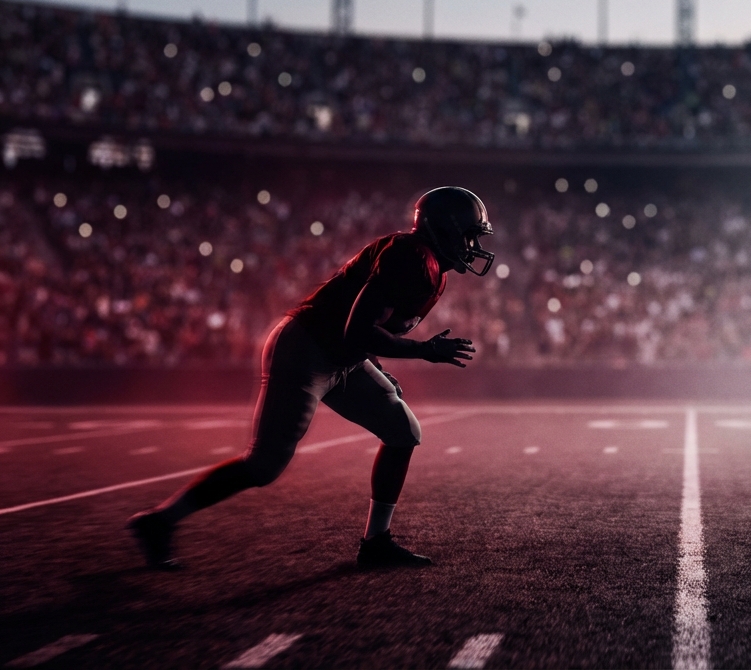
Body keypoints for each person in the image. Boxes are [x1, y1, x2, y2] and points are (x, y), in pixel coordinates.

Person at [128, 187, 495, 571]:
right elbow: (357, 329)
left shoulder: (429, 266)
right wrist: (423, 351)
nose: (472, 246)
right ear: (444, 230)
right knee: (264, 465)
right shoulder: (412, 258)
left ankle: (376, 543)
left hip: (342, 356)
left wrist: (378, 366)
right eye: (469, 235)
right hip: (306, 350)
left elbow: (362, 327)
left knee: (403, 431)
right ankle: (158, 521)